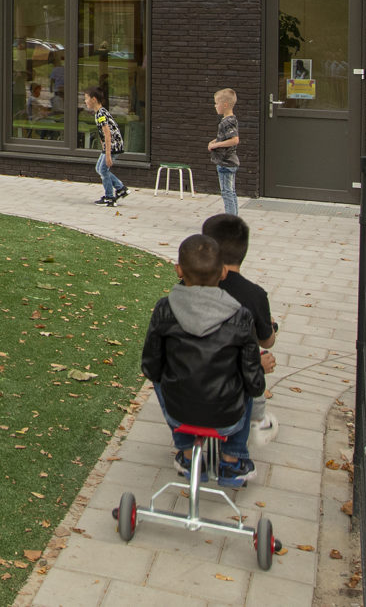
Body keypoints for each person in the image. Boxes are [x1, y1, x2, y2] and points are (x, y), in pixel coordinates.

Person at [138, 231, 264, 485]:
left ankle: (187, 454)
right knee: (250, 375)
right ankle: (232, 460)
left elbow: (150, 366)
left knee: (158, 373)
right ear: (224, 272)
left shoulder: (164, 309)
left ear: (178, 270)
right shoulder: (241, 316)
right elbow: (255, 383)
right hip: (229, 417)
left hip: (178, 413)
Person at [205, 213, 278, 441]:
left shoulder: (188, 287)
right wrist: (271, 328)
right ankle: (237, 450)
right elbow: (267, 340)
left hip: (189, 385)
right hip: (232, 383)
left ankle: (186, 451)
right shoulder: (254, 295)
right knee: (257, 363)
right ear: (243, 251)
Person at [84, 86, 128, 206]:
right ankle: (120, 188)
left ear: (93, 99)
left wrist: (108, 155)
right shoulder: (99, 112)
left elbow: (108, 134)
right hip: (111, 145)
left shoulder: (101, 114)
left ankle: (110, 197)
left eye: (86, 98)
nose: (85, 101)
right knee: (99, 168)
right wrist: (104, 147)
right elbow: (103, 134)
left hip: (113, 146)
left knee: (103, 170)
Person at [209, 88, 241, 215]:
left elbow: (234, 140)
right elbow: (226, 137)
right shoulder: (231, 119)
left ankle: (230, 220)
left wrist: (216, 145)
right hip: (228, 162)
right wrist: (214, 142)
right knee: (231, 192)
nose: (215, 106)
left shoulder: (227, 122)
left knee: (227, 193)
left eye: (217, 103)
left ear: (225, 105)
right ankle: (234, 219)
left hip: (226, 163)